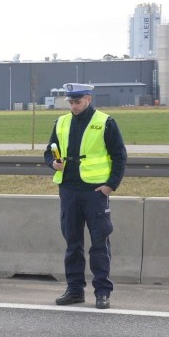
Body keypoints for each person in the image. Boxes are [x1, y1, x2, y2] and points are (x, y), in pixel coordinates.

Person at [44, 83, 127, 309]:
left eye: (77, 102)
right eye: (70, 102)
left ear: (88, 99)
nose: (73, 106)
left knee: (99, 243)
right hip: (69, 189)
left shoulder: (105, 122)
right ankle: (74, 290)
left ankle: (102, 292)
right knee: (73, 243)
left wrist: (111, 185)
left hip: (94, 191)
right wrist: (53, 163)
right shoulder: (61, 122)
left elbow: (119, 156)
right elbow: (48, 150)